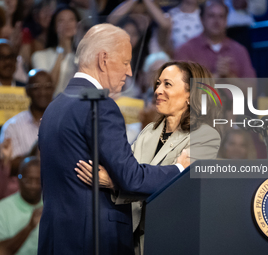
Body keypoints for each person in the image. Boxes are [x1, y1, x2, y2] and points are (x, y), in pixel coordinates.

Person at [38, 23, 190, 255]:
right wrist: (180, 169)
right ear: (103, 59)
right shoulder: (100, 105)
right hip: (93, 242)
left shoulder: (54, 106)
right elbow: (132, 178)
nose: (129, 72)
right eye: (126, 62)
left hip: (56, 239)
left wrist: (113, 181)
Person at [75, 61, 221, 254]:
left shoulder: (205, 135)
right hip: (134, 239)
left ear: (190, 94)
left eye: (167, 84)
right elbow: (131, 173)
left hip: (172, 238)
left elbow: (176, 189)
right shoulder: (149, 131)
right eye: (158, 83)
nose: (158, 90)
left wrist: (115, 183)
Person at [174, 0, 256, 95]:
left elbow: (252, 92)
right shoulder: (187, 49)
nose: (216, 21)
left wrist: (229, 76)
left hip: (234, 108)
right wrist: (216, 76)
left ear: (226, 20)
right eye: (211, 16)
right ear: (201, 19)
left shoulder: (239, 50)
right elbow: (180, 89)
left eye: (221, 17)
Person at [0, 70, 54, 180]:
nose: (43, 92)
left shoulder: (63, 123)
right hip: (22, 192)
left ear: (53, 89)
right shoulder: (12, 126)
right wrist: (35, 151)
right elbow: (8, 166)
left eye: (47, 87)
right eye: (36, 87)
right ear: (27, 91)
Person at [31, 4, 80, 97]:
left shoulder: (82, 57)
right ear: (54, 26)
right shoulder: (40, 56)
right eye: (61, 20)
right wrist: (61, 50)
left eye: (71, 20)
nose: (67, 24)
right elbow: (49, 88)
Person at [0, 156, 43, 255]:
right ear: (19, 179)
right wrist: (29, 227)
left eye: (38, 181)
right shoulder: (3, 209)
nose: (33, 185)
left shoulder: (50, 205)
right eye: (28, 180)